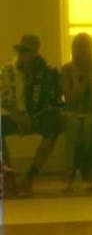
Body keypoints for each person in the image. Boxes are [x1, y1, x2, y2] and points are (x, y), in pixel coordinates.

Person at [0, 35, 63, 194]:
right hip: (12, 115)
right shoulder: (6, 71)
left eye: (26, 51)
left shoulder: (47, 73)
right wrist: (18, 116)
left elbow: (52, 100)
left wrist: (32, 117)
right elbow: (3, 99)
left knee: (55, 123)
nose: (22, 55)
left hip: (37, 116)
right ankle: (8, 177)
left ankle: (30, 176)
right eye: (20, 51)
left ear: (35, 53)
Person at [61, 33, 92, 191]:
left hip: (90, 111)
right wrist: (81, 84)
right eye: (78, 47)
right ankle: (70, 174)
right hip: (71, 111)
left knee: (89, 126)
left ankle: (89, 173)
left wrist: (91, 83)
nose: (82, 51)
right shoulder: (67, 69)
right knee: (73, 126)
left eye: (85, 47)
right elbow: (69, 99)